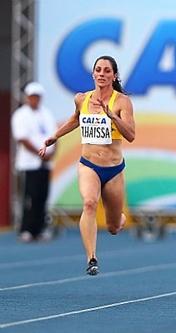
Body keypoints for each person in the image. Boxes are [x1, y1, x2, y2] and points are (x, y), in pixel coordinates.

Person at [39, 55, 135, 275]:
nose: (102, 74)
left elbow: (130, 135)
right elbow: (75, 119)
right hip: (88, 165)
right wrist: (55, 136)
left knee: (113, 227)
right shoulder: (82, 99)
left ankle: (118, 217)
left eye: (107, 71)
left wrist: (113, 117)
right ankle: (92, 258)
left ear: (114, 75)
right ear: (93, 74)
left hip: (113, 170)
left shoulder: (122, 102)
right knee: (90, 203)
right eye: (98, 70)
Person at [11, 82, 58, 242]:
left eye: (37, 97)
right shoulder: (20, 115)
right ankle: (26, 229)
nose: (35, 99)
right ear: (27, 97)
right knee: (29, 197)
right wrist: (40, 154)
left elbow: (55, 136)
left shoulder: (47, 114)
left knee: (42, 196)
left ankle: (39, 228)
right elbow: (22, 138)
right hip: (28, 164)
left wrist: (52, 153)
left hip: (45, 164)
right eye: (32, 97)